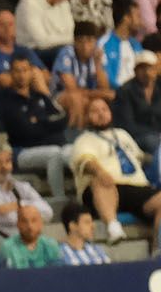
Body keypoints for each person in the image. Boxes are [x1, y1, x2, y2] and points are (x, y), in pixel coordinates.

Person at [69, 95, 161, 242]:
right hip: (105, 190)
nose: (101, 113)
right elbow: (86, 162)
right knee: (101, 180)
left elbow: (142, 157)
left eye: (104, 109)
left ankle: (158, 250)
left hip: (137, 187)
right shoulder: (84, 140)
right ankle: (113, 227)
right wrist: (100, 172)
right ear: (87, 117)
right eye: (95, 111)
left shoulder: (122, 134)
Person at [0, 201, 63, 269]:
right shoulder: (7, 247)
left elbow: (59, 274)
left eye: (34, 220)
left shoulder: (51, 245)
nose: (29, 226)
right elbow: (2, 276)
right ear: (18, 224)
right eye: (24, 221)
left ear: (41, 223)